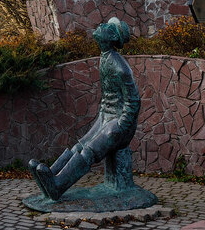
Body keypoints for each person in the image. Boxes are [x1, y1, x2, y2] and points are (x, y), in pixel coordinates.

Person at [29, 17, 140, 200]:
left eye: (109, 26)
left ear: (112, 36)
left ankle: (58, 185)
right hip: (106, 117)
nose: (102, 24)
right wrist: (103, 118)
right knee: (79, 145)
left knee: (89, 151)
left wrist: (121, 125)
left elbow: (134, 101)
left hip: (119, 126)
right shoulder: (104, 58)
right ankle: (50, 174)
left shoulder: (120, 67)